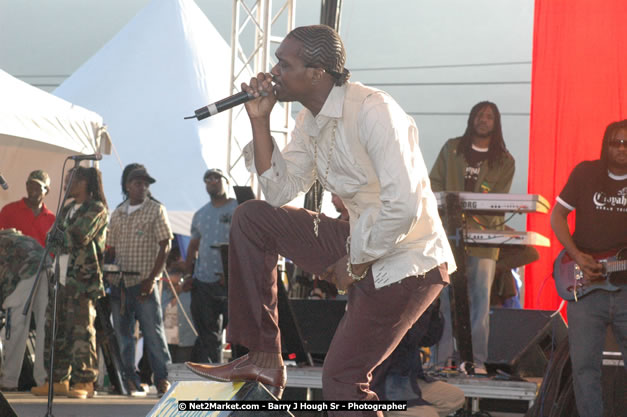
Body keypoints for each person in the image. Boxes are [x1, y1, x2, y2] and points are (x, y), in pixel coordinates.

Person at [185, 25, 455, 416]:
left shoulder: (374, 110)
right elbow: (279, 192)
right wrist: (259, 121)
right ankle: (262, 356)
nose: (273, 72)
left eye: (284, 63)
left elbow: (405, 206)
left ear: (317, 73)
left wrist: (356, 261)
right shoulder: (309, 121)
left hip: (409, 261)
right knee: (252, 218)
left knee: (342, 381)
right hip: (359, 242)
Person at [429, 101, 515, 372]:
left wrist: (469, 219)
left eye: (489, 116)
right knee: (441, 299)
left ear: (496, 123)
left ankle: (475, 362)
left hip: (483, 242)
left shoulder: (504, 160)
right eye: (479, 114)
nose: (483, 119)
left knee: (480, 299)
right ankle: (439, 362)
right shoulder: (452, 148)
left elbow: (497, 202)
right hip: (447, 238)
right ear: (471, 119)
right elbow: (434, 186)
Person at [550, 119, 627, 417]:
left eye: (626, 143)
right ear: (606, 145)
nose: (621, 148)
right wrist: (578, 256)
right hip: (584, 285)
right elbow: (558, 216)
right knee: (584, 368)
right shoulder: (586, 173)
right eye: (615, 142)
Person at [31, 166, 108, 399]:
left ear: (84, 182)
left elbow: (78, 235)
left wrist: (60, 235)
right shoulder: (66, 210)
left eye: (71, 179)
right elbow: (50, 239)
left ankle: (85, 381)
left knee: (81, 331)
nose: (67, 184)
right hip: (60, 277)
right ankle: (57, 379)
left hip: (81, 280)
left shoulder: (96, 208)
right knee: (55, 330)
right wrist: (60, 236)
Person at [106, 164, 173, 397]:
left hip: (144, 282)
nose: (143, 187)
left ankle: (163, 379)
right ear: (127, 186)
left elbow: (166, 245)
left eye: (146, 184)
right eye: (138, 183)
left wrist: (152, 278)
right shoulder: (117, 212)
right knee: (123, 336)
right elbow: (110, 248)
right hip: (119, 284)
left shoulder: (156, 210)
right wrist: (107, 272)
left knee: (153, 334)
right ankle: (129, 379)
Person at [371, 299, 465, 417]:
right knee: (428, 415)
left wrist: (433, 306)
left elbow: (429, 339)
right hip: (386, 385)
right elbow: (408, 338)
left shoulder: (417, 299)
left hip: (408, 380)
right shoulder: (392, 300)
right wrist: (424, 302)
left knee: (454, 398)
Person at [184, 168, 237, 363]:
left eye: (217, 178)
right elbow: (193, 247)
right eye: (208, 179)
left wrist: (232, 273)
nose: (212, 182)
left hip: (232, 282)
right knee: (208, 332)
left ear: (226, 182)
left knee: (237, 331)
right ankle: (213, 372)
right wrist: (188, 276)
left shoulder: (238, 209)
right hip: (204, 280)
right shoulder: (200, 214)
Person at [0, 229, 51, 391]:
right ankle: (43, 380)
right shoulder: (14, 236)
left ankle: (9, 381)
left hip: (25, 273)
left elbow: (6, 279)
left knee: (15, 326)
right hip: (45, 265)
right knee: (44, 326)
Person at [0, 170, 55, 247]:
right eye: (31, 185)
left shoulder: (51, 219)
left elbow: (52, 251)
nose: (33, 191)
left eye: (37, 187)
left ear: (47, 190)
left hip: (41, 259)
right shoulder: (9, 210)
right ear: (26, 185)